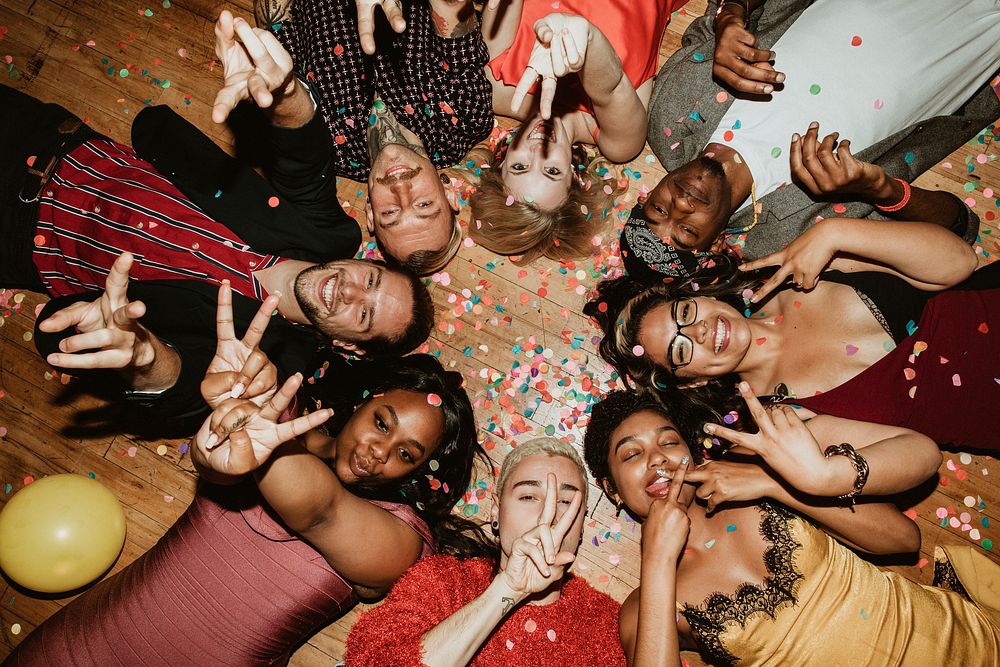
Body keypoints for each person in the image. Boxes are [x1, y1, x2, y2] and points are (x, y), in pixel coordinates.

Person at [5, 291, 490, 666]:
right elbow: (210, 460)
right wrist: (150, 361)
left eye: (406, 453)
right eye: (381, 422)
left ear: (416, 470)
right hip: (86, 645)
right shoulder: (280, 413)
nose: (377, 451)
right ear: (361, 400)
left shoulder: (404, 541)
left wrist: (255, 431)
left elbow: (320, 510)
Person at [1, 12, 433, 427]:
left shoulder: (265, 361)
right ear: (367, 263)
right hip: (47, 136)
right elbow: (305, 160)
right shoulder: (325, 234)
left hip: (14, 236)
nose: (351, 291)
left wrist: (144, 357)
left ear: (346, 344)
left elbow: (186, 385)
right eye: (371, 282)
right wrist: (284, 93)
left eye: (363, 316)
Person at [583, 389, 1000, 665]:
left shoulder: (761, 478)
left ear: (691, 453)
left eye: (669, 441)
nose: (658, 459)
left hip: (962, 643)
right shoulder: (644, 609)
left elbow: (903, 540)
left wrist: (774, 484)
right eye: (632, 454)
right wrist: (656, 560)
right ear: (612, 489)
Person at [626, 0, 1000, 278]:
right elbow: (958, 226)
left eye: (659, 210)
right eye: (688, 230)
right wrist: (881, 190)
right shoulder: (794, 233)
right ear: (716, 243)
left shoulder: (667, 116)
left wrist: (730, 17)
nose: (681, 205)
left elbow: (719, 12)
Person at [586, 215, 1000, 450]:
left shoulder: (799, 269)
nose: (699, 330)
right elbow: (918, 455)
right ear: (693, 379)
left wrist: (836, 232)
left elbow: (959, 262)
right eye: (680, 351)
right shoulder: (778, 424)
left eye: (686, 312)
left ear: (703, 295)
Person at [344, 437, 626, 666]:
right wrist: (506, 591)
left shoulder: (608, 625)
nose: (547, 515)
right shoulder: (442, 581)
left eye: (565, 501)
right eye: (528, 496)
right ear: (496, 510)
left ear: (581, 523)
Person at [271, 0, 494, 274]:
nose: (401, 190)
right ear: (449, 194)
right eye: (424, 204)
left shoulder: (322, 145)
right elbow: (454, 10)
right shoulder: (466, 119)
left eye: (390, 213)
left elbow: (278, 24)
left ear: (370, 214)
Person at [466, 0, 684, 264]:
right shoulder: (618, 141)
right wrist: (582, 37)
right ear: (575, 179)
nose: (537, 149)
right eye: (552, 171)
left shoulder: (497, 90)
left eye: (520, 166)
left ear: (502, 162)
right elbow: (610, 87)